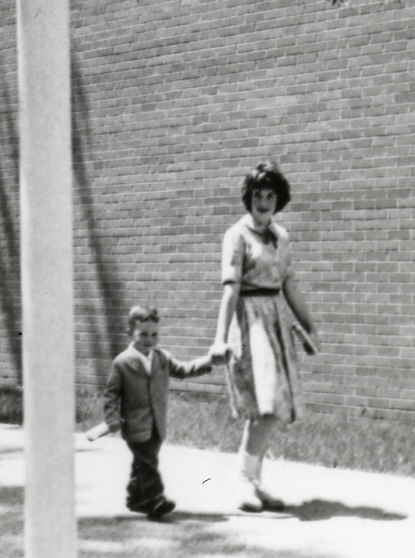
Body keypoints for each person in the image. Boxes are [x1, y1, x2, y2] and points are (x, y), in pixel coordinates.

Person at [212, 163, 318, 513]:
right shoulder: (236, 235)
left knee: (270, 405)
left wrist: (308, 323)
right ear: (249, 197)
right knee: (266, 403)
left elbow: (289, 283)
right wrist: (219, 339)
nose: (264, 202)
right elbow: (231, 290)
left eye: (271, 195)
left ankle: (252, 480)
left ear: (279, 200)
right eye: (258, 194)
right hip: (249, 321)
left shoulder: (282, 237)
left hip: (275, 319)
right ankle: (243, 478)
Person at [92, 304, 217, 520]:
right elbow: (111, 395)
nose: (149, 339)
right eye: (143, 334)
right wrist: (111, 419)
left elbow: (183, 370)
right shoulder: (122, 363)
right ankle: (154, 500)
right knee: (148, 461)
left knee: (143, 461)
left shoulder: (162, 358)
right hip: (134, 424)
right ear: (130, 333)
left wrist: (208, 362)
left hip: (157, 424)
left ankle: (135, 496)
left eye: (154, 334)